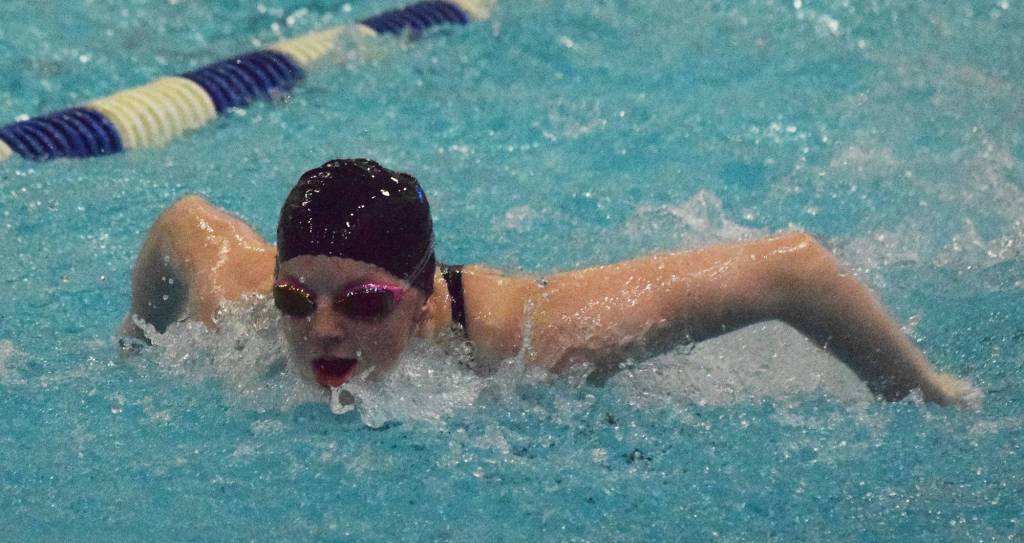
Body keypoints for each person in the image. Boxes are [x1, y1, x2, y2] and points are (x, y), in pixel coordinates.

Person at [121, 158, 976, 407]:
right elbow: (182, 223)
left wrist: (926, 395)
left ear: (420, 300)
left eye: (367, 302)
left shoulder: (535, 341)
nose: (325, 332)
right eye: (297, 299)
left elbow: (795, 270)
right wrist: (137, 336)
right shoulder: (236, 300)